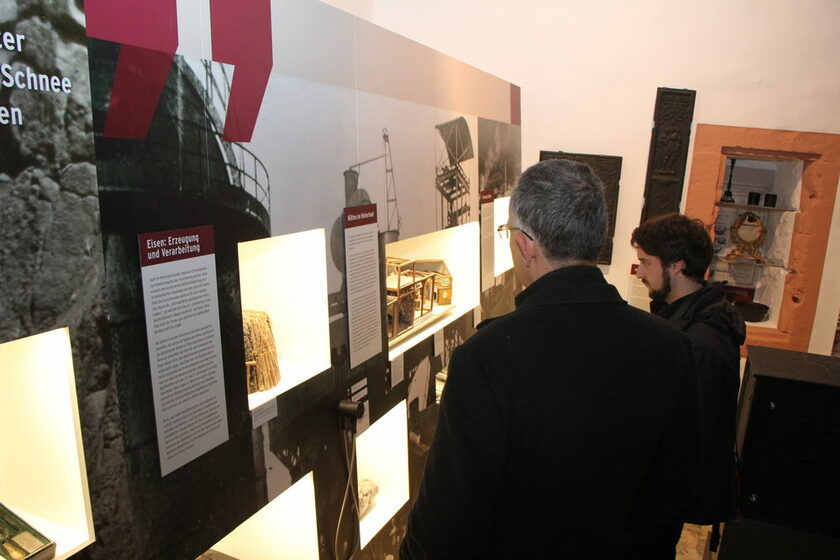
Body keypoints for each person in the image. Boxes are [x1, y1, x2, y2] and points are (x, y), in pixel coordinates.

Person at [400, 159, 702, 559]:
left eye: (509, 233)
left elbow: (449, 515)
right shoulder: (670, 345)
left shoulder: (488, 356)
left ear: (525, 245)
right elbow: (675, 490)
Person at [630, 213, 747, 557]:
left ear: (677, 265)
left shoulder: (699, 341)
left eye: (645, 263)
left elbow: (685, 435)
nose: (639, 272)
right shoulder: (687, 317)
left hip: (662, 494)